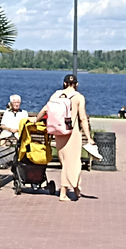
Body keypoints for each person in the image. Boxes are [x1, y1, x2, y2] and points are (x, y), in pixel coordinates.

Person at [37, 74, 91, 202]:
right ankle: (63, 192)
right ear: (76, 84)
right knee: (72, 163)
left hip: (59, 131)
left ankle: (76, 188)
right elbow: (83, 118)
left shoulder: (56, 94)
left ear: (64, 83)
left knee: (65, 161)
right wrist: (88, 137)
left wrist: (36, 120)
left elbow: (45, 109)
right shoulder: (78, 97)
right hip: (72, 132)